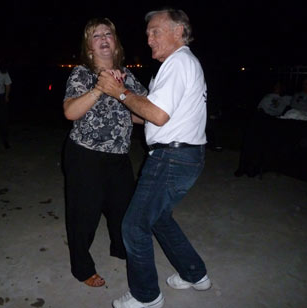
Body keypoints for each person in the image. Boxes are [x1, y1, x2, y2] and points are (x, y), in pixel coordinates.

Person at [96, 8, 210, 308]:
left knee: (133, 227)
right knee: (159, 218)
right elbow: (155, 115)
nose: (148, 39)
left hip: (171, 159)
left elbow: (157, 115)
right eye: (147, 33)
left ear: (178, 32)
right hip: (186, 156)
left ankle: (146, 296)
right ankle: (195, 273)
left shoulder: (178, 62)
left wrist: (119, 92)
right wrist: (116, 99)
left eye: (155, 31)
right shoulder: (184, 64)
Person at [62, 17, 147, 288]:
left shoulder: (128, 75)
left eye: (108, 33)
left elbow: (142, 113)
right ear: (89, 47)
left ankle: (120, 248)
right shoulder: (81, 74)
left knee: (123, 209)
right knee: (84, 214)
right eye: (96, 35)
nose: (103, 38)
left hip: (119, 154)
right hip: (85, 155)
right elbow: (70, 112)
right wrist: (101, 88)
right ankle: (82, 267)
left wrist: (127, 99)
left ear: (115, 42)